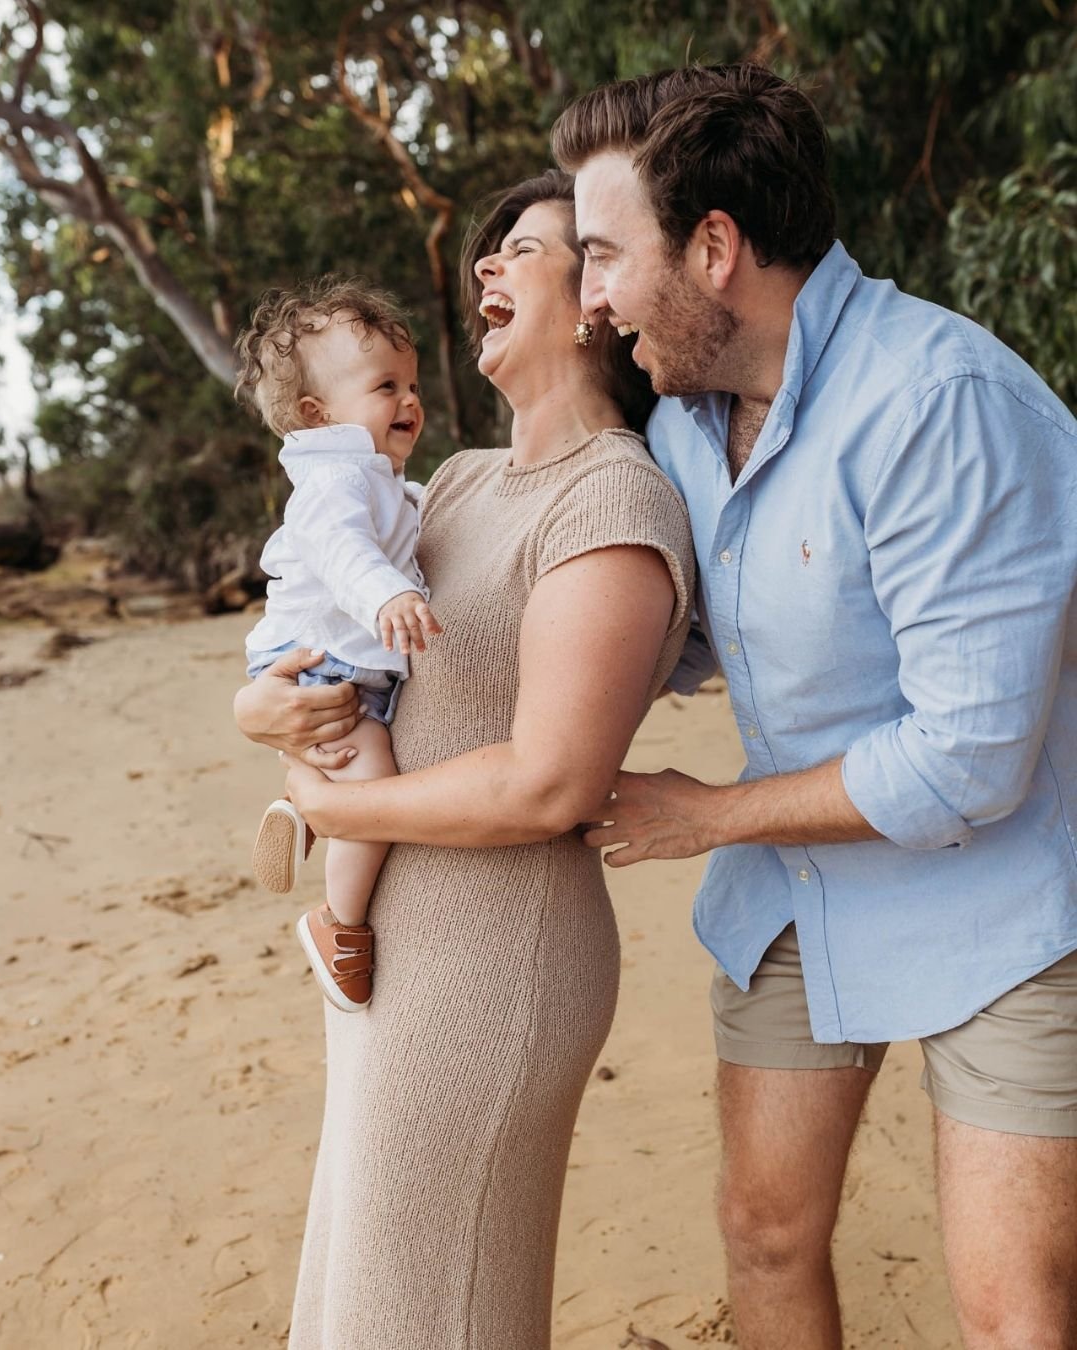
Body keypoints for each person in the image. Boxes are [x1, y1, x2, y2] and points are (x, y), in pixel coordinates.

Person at [553, 62, 1077, 1350]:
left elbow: (967, 763)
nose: (590, 299)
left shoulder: (936, 404)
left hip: (1011, 901)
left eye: (606, 255)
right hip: (805, 889)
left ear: (714, 247)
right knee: (766, 1233)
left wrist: (709, 816)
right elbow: (672, 641)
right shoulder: (683, 425)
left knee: (1012, 1309)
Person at [232, 169, 695, 1348]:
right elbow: (330, 623)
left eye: (525, 248)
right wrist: (260, 712)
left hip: (495, 957)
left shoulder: (613, 500)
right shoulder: (455, 486)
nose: (486, 263)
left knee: (429, 1308)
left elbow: (549, 782)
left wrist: (334, 811)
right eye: (490, 249)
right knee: (364, 1282)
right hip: (394, 948)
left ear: (600, 296)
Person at [235, 277, 441, 1012]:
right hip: (324, 659)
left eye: (413, 385)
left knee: (348, 762)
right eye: (386, 386)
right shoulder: (334, 479)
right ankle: (339, 924)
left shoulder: (382, 480)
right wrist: (388, 594)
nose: (409, 401)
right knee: (372, 776)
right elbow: (342, 551)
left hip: (335, 660)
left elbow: (401, 527)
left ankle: (303, 807)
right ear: (318, 415)